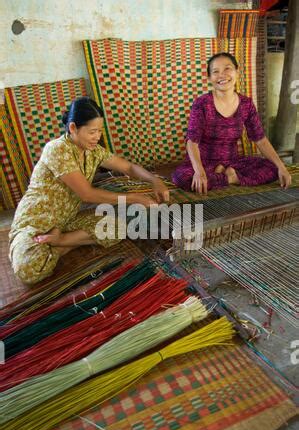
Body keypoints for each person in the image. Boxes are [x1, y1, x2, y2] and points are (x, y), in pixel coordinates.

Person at [9, 97, 169, 285]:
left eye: (100, 131)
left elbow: (128, 168)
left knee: (117, 227)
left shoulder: (94, 151)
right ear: (73, 128)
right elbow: (87, 194)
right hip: (37, 220)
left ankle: (60, 241)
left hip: (67, 220)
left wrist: (154, 179)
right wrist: (135, 198)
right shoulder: (57, 149)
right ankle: (59, 242)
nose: (97, 137)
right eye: (92, 132)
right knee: (28, 268)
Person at [172, 52, 291, 195]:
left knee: (273, 168)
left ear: (237, 72)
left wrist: (281, 167)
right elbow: (192, 142)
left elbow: (260, 139)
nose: (222, 75)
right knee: (181, 178)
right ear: (209, 78)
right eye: (215, 71)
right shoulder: (202, 104)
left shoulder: (246, 104)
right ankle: (227, 178)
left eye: (227, 69)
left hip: (233, 163)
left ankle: (229, 177)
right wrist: (199, 172)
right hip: (203, 162)